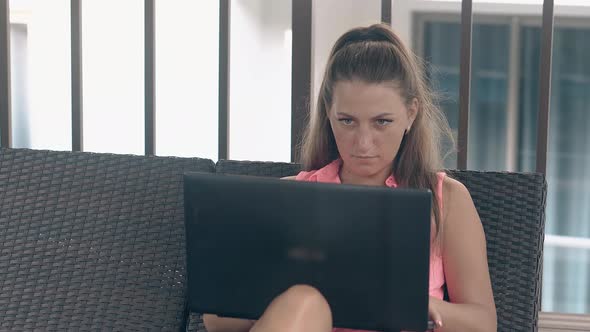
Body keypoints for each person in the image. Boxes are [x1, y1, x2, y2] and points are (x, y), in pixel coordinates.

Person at [203, 23, 497, 332]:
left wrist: (419, 305)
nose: (363, 143)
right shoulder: (290, 198)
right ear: (329, 113)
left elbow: (483, 324)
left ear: (411, 114)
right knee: (304, 300)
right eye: (347, 121)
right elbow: (218, 324)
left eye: (382, 122)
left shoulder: (445, 199)